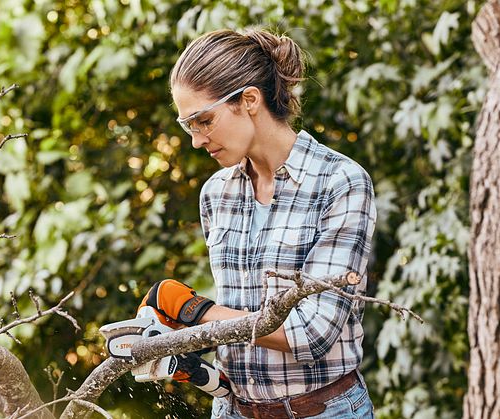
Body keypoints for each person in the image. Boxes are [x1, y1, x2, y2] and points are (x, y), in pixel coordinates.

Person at [140, 28, 377, 419]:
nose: (197, 141)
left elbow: (311, 334)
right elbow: (240, 314)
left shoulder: (339, 183)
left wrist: (195, 311)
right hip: (233, 410)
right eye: (188, 126)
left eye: (203, 121)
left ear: (249, 100)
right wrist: (177, 337)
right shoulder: (217, 193)